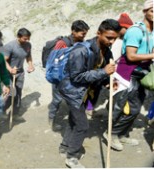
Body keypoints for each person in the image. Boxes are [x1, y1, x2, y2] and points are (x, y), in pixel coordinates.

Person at [58, 19, 121, 168]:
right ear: (98, 33)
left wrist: (108, 81)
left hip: (87, 93)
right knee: (83, 126)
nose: (111, 41)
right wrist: (103, 72)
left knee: (75, 120)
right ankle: (72, 157)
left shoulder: (106, 50)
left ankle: (65, 146)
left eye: (115, 38)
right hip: (73, 92)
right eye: (108, 37)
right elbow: (77, 77)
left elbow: (102, 71)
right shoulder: (81, 50)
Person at [103, 0, 153, 151]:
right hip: (126, 73)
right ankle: (110, 133)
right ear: (145, 12)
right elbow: (131, 56)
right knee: (119, 107)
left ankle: (122, 133)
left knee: (135, 108)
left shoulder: (152, 31)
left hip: (141, 73)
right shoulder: (135, 30)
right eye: (152, 10)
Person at [48, 20, 90, 131]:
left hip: (72, 78)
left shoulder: (80, 43)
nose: (83, 36)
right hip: (59, 78)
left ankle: (73, 123)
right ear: (73, 31)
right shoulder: (62, 43)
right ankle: (51, 120)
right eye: (82, 33)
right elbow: (54, 61)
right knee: (57, 100)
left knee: (72, 100)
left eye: (85, 34)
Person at [4, 28, 34, 116]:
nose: (27, 40)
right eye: (25, 39)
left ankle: (14, 114)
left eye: (28, 38)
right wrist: (10, 69)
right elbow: (3, 61)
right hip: (8, 74)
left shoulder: (28, 45)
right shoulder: (10, 46)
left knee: (18, 93)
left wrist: (30, 65)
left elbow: (28, 57)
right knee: (11, 93)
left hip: (20, 73)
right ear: (18, 37)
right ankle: (1, 111)